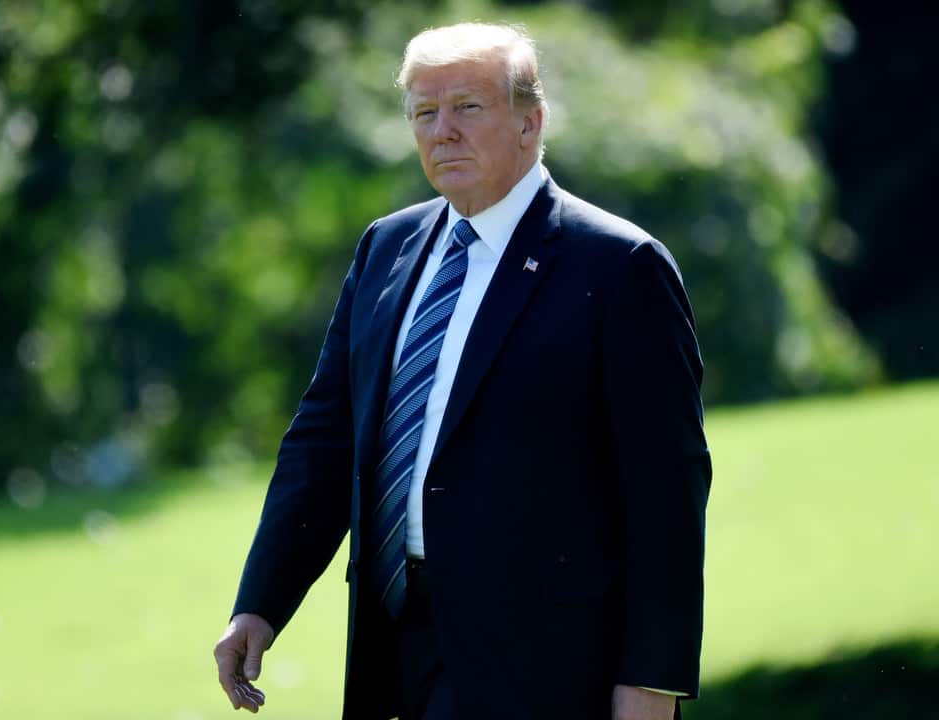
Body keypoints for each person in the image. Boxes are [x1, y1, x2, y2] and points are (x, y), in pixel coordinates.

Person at [213, 22, 711, 720]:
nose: (441, 131)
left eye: (467, 108)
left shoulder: (621, 268)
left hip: (550, 664)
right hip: (397, 646)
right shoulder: (384, 250)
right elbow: (323, 445)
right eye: (424, 112)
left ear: (530, 122)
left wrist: (651, 682)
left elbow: (666, 494)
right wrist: (260, 604)